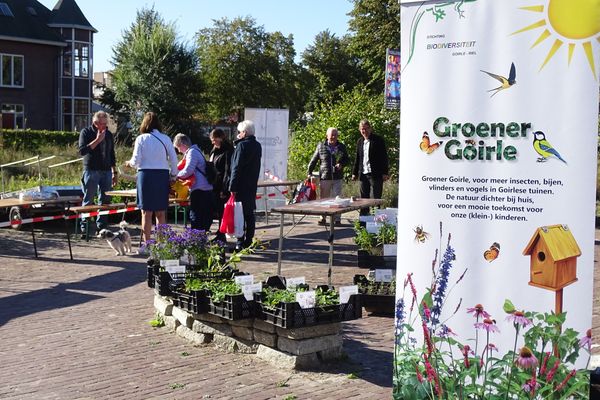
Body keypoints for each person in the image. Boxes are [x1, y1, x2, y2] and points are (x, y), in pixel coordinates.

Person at [125, 112, 178, 247]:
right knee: (161, 212)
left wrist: (129, 163)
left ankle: (147, 244)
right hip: (161, 175)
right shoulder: (165, 138)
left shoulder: (141, 138)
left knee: (146, 212)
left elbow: (136, 161)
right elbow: (173, 158)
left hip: (146, 175)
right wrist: (173, 175)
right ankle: (162, 244)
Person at [78, 111, 117, 237]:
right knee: (88, 199)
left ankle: (102, 228)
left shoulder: (109, 134)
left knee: (105, 200)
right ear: (95, 123)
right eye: (103, 124)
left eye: (106, 124)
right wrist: (97, 140)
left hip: (106, 171)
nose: (105, 127)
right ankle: (85, 227)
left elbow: (112, 153)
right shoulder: (86, 132)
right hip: (91, 170)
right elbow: (82, 151)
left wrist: (114, 172)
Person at [228, 120, 262, 251]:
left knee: (239, 214)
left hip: (240, 185)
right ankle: (249, 240)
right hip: (251, 184)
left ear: (244, 132)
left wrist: (232, 186)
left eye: (239, 132)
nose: (238, 134)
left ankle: (239, 242)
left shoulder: (241, 146)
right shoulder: (258, 146)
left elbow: (236, 167)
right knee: (249, 213)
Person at [307, 127, 349, 225]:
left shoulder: (341, 146)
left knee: (337, 198)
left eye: (335, 135)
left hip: (337, 177)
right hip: (325, 176)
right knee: (324, 198)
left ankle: (337, 219)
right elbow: (314, 160)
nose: (334, 137)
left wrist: (341, 164)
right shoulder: (321, 146)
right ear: (327, 136)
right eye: (332, 135)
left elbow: (347, 159)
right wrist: (309, 172)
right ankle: (323, 217)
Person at [174, 133, 214, 232]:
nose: (179, 150)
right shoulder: (195, 151)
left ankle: (196, 239)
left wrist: (175, 176)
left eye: (178, 147)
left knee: (196, 215)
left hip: (199, 188)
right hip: (205, 187)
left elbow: (188, 170)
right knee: (203, 215)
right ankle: (201, 238)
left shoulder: (192, 152)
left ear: (182, 144)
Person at [351, 119, 389, 216]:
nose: (365, 131)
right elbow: (357, 158)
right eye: (362, 129)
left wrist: (385, 173)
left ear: (370, 129)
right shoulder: (360, 141)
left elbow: (384, 157)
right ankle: (363, 219)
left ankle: (376, 218)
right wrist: (354, 173)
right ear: (360, 130)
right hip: (363, 174)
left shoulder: (378, 140)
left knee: (375, 198)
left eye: (366, 129)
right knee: (364, 198)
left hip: (375, 174)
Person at [209, 128, 234, 242]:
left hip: (222, 185)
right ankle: (220, 233)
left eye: (214, 140)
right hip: (214, 184)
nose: (213, 142)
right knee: (218, 211)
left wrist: (224, 189)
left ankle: (222, 235)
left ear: (220, 138)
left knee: (222, 211)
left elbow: (228, 170)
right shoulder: (215, 150)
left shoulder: (228, 151)